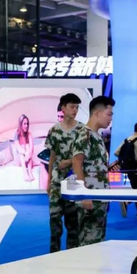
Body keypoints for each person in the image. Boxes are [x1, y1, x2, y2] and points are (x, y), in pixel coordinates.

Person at [71, 96, 116, 247]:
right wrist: (84, 194)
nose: (110, 119)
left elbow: (92, 165)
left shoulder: (97, 136)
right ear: (97, 113)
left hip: (99, 197)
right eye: (109, 114)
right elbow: (77, 162)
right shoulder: (85, 134)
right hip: (90, 197)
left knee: (98, 241)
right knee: (89, 242)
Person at [45, 93, 85, 253]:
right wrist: (48, 182)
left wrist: (68, 162)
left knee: (72, 223)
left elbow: (84, 156)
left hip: (74, 182)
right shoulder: (54, 130)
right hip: (57, 182)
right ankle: (53, 254)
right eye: (72, 107)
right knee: (54, 221)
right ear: (63, 108)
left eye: (77, 107)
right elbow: (52, 158)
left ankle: (71, 255)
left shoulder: (82, 130)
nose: (75, 110)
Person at [114, 122, 137, 219]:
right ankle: (127, 202)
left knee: (136, 188)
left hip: (128, 168)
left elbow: (116, 153)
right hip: (136, 168)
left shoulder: (127, 140)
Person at [14, 114, 35, 182]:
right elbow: (18, 148)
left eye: (27, 124)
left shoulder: (29, 134)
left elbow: (31, 149)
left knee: (28, 146)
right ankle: (25, 173)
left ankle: (30, 172)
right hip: (20, 161)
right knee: (23, 147)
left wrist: (28, 155)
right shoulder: (16, 134)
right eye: (24, 124)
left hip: (28, 159)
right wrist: (26, 153)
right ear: (20, 124)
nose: (26, 126)